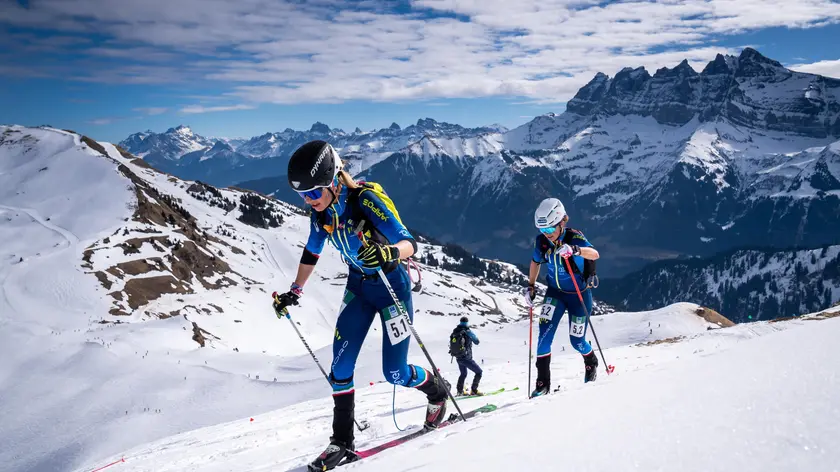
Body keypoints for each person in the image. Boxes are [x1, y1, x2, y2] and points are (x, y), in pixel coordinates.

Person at [271, 140, 451, 471]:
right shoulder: (320, 214)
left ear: (332, 181)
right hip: (359, 287)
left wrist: (388, 253)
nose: (309, 201)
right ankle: (341, 443)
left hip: (391, 286)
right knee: (339, 368)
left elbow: (409, 243)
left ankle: (438, 391)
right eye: (303, 196)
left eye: (313, 193)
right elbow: (311, 252)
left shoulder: (365, 200)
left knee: (395, 372)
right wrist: (294, 291)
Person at [527, 197, 600, 397]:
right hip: (555, 294)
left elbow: (594, 254)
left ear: (561, 222)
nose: (547, 234)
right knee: (543, 338)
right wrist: (530, 286)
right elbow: (535, 262)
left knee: (577, 341)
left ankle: (591, 360)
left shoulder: (574, 237)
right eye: (543, 231)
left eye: (550, 230)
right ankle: (542, 384)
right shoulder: (542, 242)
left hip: (579, 296)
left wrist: (575, 250)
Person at [448, 316, 482, 396]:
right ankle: (474, 390)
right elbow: (477, 341)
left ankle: (459, 391)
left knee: (463, 374)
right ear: (467, 322)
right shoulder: (467, 331)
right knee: (479, 372)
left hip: (458, 357)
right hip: (466, 358)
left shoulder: (455, 331)